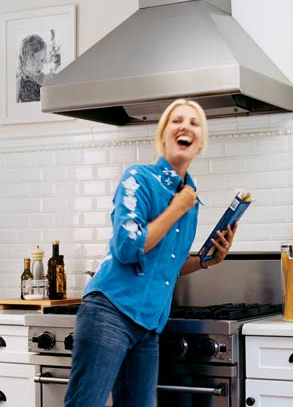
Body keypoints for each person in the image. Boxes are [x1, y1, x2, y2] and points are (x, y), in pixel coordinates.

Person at [64, 99, 238, 407]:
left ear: (200, 144)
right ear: (163, 136)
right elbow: (128, 247)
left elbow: (167, 265)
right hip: (110, 313)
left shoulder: (189, 201)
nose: (185, 126)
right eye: (176, 120)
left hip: (148, 328)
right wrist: (175, 209)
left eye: (194, 122)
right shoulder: (139, 179)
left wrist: (207, 260)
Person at [16, 33, 60, 103]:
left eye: (42, 60)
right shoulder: (19, 82)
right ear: (24, 62)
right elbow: (13, 107)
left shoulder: (47, 79)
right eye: (34, 62)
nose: (39, 66)